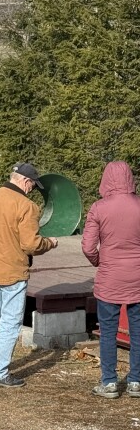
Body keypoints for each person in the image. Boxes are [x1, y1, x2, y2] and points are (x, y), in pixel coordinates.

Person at [0, 163, 58, 388]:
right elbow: (30, 244)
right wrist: (50, 243)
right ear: (25, 181)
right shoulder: (26, 206)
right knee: (10, 322)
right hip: (11, 270)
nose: (32, 190)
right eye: (32, 185)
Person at [81, 161, 140, 399]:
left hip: (109, 278)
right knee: (138, 331)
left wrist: (99, 261)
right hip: (138, 277)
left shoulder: (99, 208)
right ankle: (136, 381)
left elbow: (87, 247)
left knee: (107, 331)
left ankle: (109, 382)